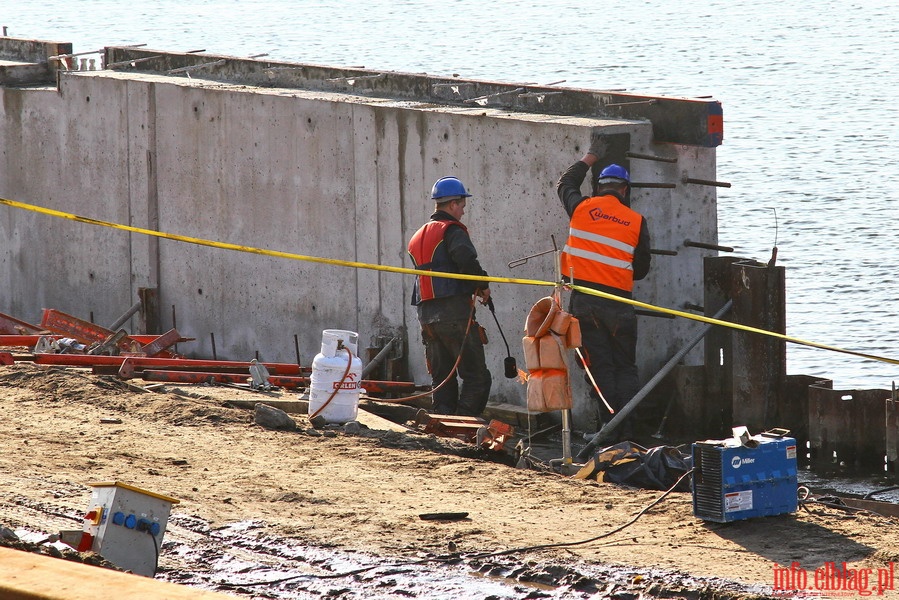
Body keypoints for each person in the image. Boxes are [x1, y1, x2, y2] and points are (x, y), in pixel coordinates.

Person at [556, 137, 652, 438]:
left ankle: (609, 432)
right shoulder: (636, 220)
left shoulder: (582, 209)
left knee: (599, 369)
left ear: (599, 187)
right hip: (621, 306)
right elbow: (642, 270)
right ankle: (630, 431)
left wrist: (590, 157)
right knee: (625, 367)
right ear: (625, 190)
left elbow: (564, 184)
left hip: (587, 303)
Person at [407, 176, 492, 416]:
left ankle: (443, 426)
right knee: (477, 377)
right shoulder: (451, 230)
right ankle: (464, 426)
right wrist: (483, 284)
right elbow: (465, 260)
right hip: (453, 312)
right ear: (453, 203)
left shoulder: (417, 236)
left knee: (442, 377)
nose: (463, 212)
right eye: (462, 206)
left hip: (426, 315)